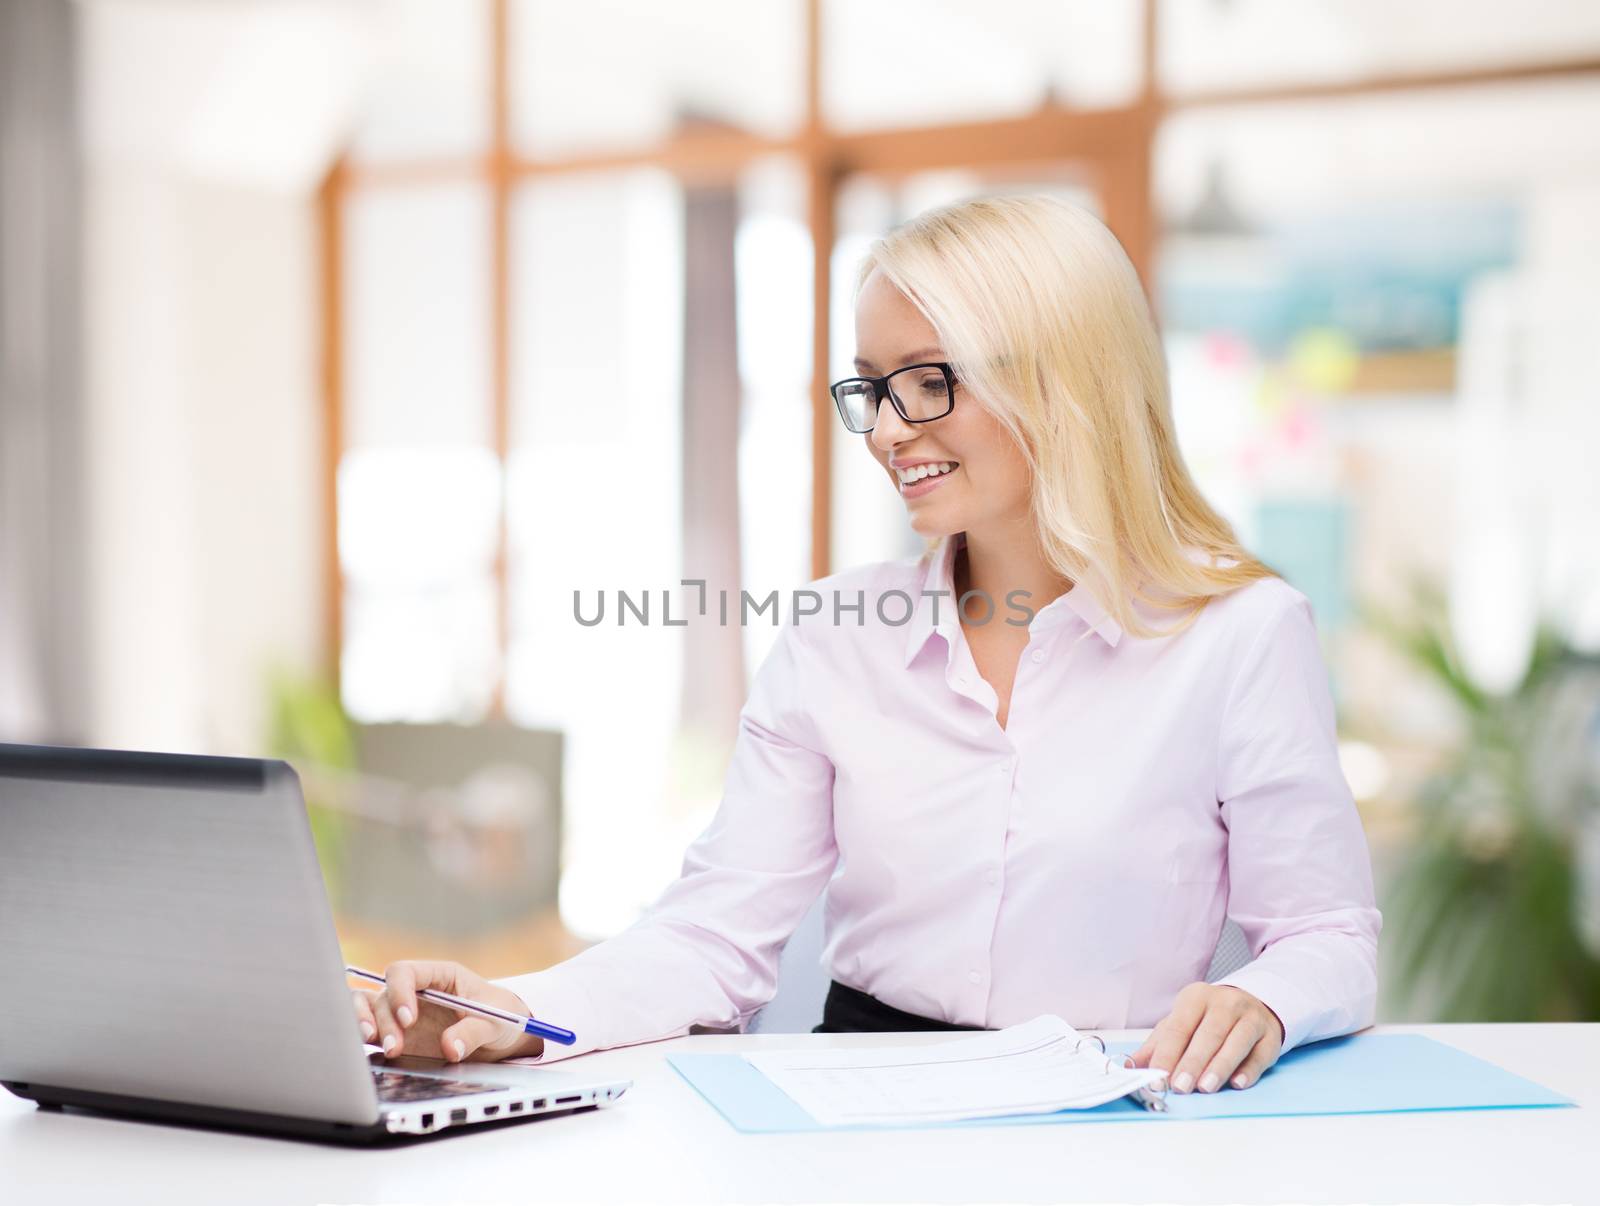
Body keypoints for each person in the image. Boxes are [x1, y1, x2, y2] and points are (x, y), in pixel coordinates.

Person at [353, 193, 1380, 1097]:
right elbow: (715, 933)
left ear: (1063, 381)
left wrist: (1264, 1002)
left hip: (1115, 1101)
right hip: (860, 1096)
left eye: (928, 382)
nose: (888, 431)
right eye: (871, 390)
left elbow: (1326, 937)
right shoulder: (835, 635)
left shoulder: (1240, 636)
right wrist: (515, 1010)